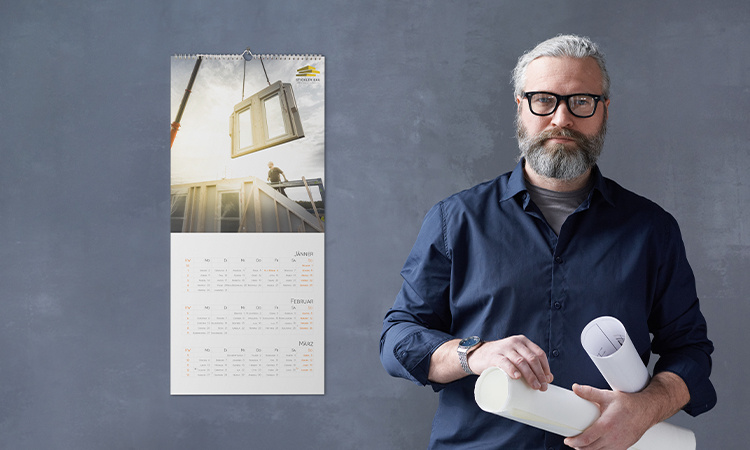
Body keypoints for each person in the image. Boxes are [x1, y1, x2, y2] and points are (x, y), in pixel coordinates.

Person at [380, 35, 716, 449]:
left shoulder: (652, 229)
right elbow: (397, 339)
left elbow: (691, 353)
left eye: (581, 101)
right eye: (544, 99)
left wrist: (646, 407)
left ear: (603, 111)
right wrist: (473, 353)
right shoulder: (455, 220)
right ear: (521, 106)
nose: (561, 118)